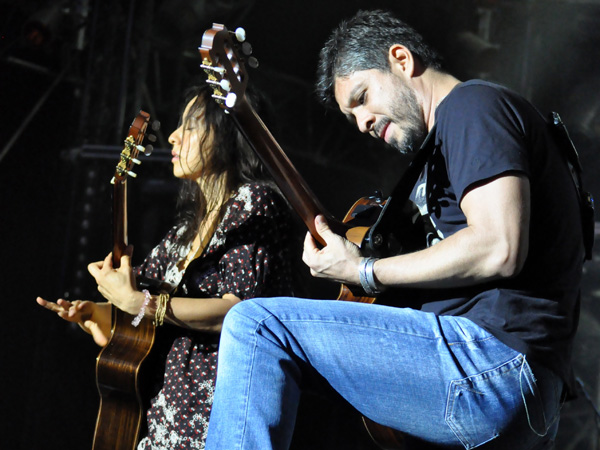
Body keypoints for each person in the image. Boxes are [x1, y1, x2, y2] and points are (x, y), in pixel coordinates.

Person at [203, 9, 588, 450]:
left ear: (401, 59)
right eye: (352, 118)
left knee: (257, 326)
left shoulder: (471, 106)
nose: (363, 122)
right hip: (528, 395)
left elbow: (497, 247)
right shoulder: (443, 146)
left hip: (491, 362)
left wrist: (365, 270)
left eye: (363, 97)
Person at [36, 82, 294, 449]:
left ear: (227, 133)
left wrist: (141, 305)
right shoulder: (183, 232)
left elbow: (241, 313)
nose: (173, 136)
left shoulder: (254, 202)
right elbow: (142, 319)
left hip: (217, 419)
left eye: (190, 126)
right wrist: (100, 313)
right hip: (159, 420)